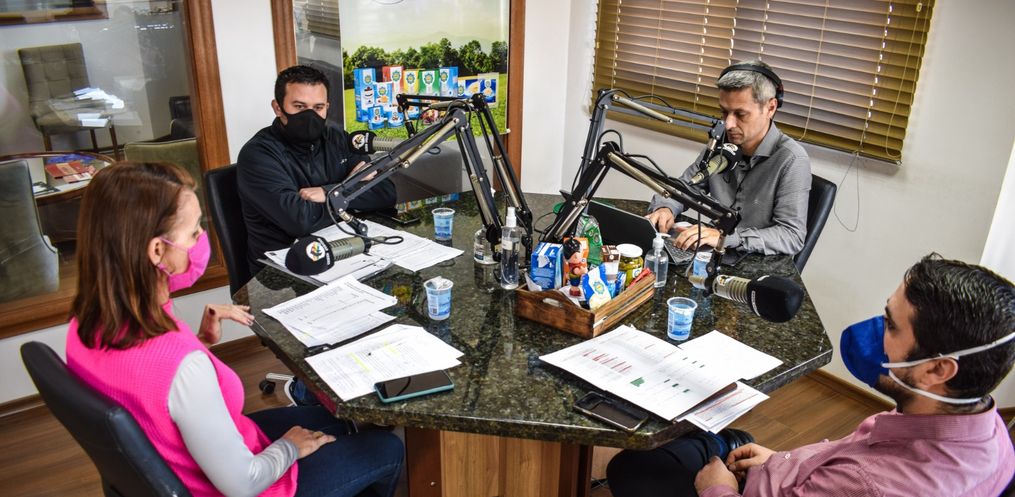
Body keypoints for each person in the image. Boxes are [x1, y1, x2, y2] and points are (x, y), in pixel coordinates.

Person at [65, 162, 403, 497]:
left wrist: (200, 342)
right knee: (385, 447)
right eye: (194, 232)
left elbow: (151, 387)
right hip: (247, 484)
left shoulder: (86, 325)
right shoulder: (183, 367)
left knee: (335, 421)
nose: (201, 240)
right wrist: (289, 447)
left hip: (190, 461)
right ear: (157, 250)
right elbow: (243, 484)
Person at [607, 254, 1015, 497]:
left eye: (890, 325)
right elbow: (850, 459)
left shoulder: (867, 485)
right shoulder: (987, 430)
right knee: (715, 438)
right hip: (780, 473)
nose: (874, 330)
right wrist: (780, 462)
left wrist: (718, 488)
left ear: (938, 369)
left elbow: (855, 479)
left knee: (634, 468)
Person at [238, 64, 396, 274]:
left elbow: (386, 192)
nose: (310, 116)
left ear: (327, 107)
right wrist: (352, 187)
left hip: (343, 250)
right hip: (284, 268)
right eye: (299, 106)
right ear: (278, 107)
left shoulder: (338, 138)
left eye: (318, 107)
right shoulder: (258, 154)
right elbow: (301, 220)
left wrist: (327, 192)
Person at [646, 60, 811, 256]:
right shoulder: (721, 142)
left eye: (740, 114)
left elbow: (792, 236)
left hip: (755, 264)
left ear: (771, 108)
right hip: (712, 256)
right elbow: (686, 187)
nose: (729, 124)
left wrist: (725, 238)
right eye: (724, 112)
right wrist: (666, 207)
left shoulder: (792, 160)